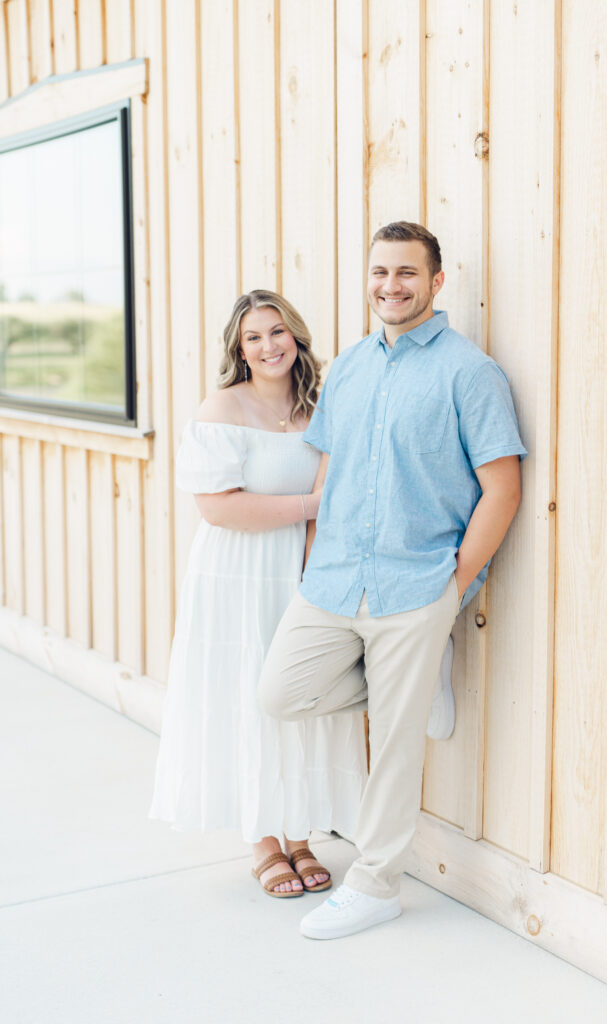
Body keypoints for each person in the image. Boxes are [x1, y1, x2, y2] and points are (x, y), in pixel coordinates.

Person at [259, 222, 527, 937]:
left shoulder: (469, 373)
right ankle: (406, 673)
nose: (390, 286)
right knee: (279, 691)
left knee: (397, 741)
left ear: (437, 282)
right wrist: (316, 558)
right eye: (380, 272)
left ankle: (375, 885)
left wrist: (452, 586)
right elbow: (327, 472)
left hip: (417, 583)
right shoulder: (346, 368)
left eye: (407, 273)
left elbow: (501, 486)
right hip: (337, 579)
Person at [150, 290, 368, 898]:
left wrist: (315, 534)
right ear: (239, 350)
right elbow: (218, 509)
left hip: (304, 571)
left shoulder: (318, 408)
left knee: (299, 692)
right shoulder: (223, 408)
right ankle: (264, 842)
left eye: (278, 332)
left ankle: (299, 833)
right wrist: (311, 507)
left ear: (296, 337)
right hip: (239, 575)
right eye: (254, 337)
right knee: (248, 693)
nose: (269, 346)